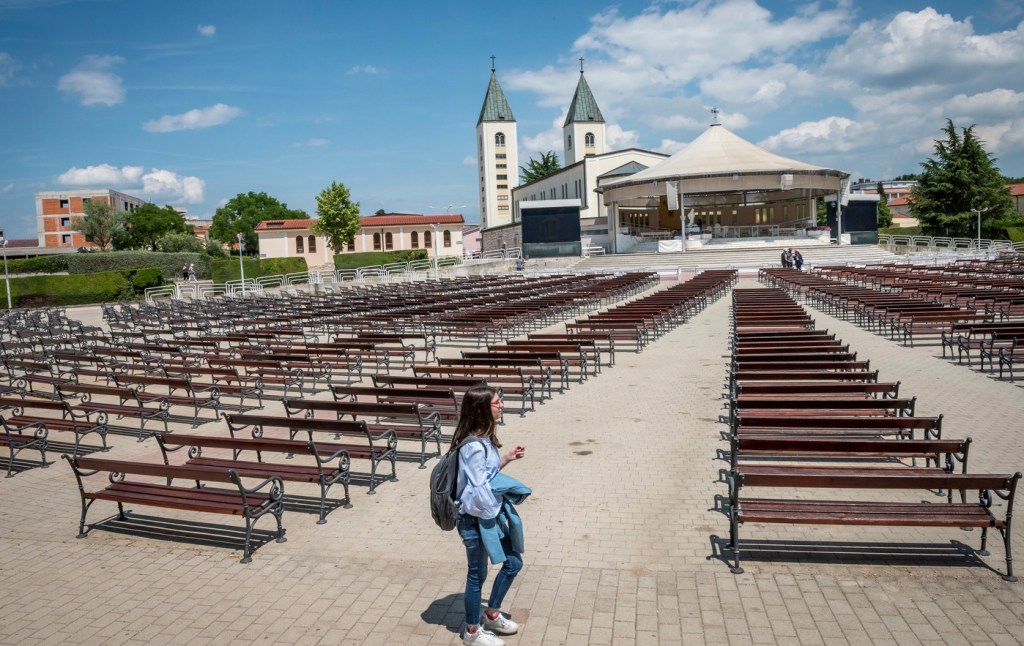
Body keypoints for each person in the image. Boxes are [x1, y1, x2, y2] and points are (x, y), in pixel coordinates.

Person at [452, 384, 527, 646]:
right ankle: (472, 632)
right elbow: (477, 489)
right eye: (497, 402)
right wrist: (499, 509)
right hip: (475, 519)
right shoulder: (472, 446)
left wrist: (506, 458)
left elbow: (485, 476)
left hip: (488, 516)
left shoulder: (484, 439)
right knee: (477, 574)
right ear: (483, 408)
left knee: (513, 562)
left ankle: (492, 613)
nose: (502, 405)